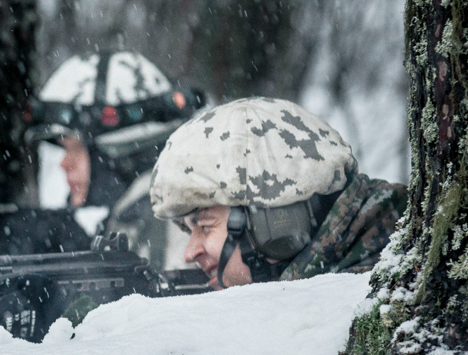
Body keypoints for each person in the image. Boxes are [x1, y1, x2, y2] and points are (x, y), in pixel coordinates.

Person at [149, 97, 407, 289]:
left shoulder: (376, 292)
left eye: (204, 227)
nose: (189, 253)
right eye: (188, 230)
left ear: (276, 222)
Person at [24, 50, 205, 272]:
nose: (64, 164)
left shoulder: (171, 224)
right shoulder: (131, 218)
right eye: (63, 149)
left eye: (77, 148)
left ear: (120, 157)